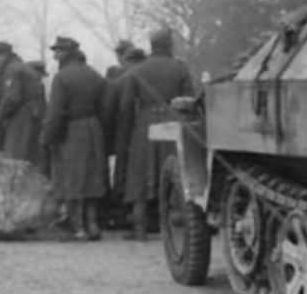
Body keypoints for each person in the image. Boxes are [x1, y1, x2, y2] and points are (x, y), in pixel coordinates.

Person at [117, 27, 196, 240]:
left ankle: (140, 230)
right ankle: (179, 231)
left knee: (140, 175)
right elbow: (191, 100)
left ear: (152, 46)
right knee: (176, 173)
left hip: (145, 125)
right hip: (173, 123)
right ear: (169, 45)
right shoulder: (180, 69)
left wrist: (125, 136)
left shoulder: (136, 71)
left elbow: (125, 107)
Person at [40, 36, 107, 241]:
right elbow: (105, 108)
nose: (55, 55)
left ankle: (76, 228)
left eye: (58, 51)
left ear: (67, 53)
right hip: (94, 128)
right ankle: (93, 224)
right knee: (92, 177)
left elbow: (56, 112)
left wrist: (47, 137)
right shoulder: (95, 75)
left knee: (71, 178)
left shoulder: (62, 77)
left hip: (71, 131)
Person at [0, 41, 44, 166]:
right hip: (32, 114)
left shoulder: (12, 70)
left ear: (2, 55)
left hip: (23, 116)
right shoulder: (19, 67)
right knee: (29, 157)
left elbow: (11, 99)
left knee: (15, 158)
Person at [102, 46, 145, 226]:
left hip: (126, 132)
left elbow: (110, 110)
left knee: (124, 172)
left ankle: (123, 215)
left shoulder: (120, 79)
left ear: (125, 59)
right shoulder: (146, 72)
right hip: (153, 128)